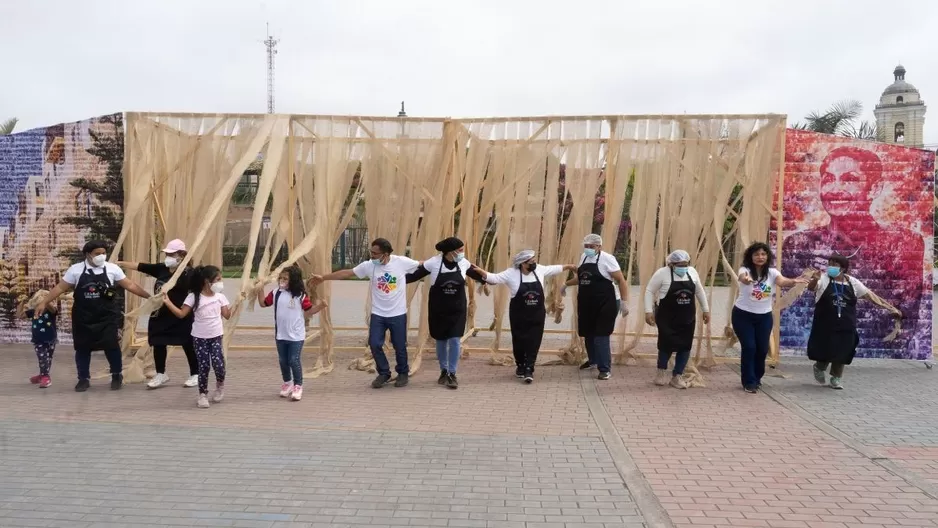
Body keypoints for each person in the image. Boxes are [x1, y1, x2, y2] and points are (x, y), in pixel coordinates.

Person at [781, 146, 924, 358]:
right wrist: (808, 279)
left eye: (849, 179)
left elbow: (905, 319)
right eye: (828, 178)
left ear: (875, 189)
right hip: (818, 338)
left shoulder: (903, 244)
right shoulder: (799, 244)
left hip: (870, 346)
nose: (835, 188)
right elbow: (787, 313)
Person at [36, 240, 153, 392]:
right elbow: (60, 287)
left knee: (112, 347)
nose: (101, 256)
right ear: (88, 255)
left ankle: (117, 375)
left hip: (106, 317)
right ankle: (83, 379)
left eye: (104, 253)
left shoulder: (112, 269)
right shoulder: (75, 270)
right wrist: (44, 302)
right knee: (82, 348)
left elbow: (130, 285)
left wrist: (149, 296)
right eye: (97, 254)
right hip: (83, 317)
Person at [310, 238, 422, 389]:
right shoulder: (369, 266)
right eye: (371, 252)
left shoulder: (401, 262)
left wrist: (441, 260)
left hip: (398, 314)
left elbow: (422, 264)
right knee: (374, 344)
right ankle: (384, 373)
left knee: (399, 345)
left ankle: (402, 373)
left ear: (386, 254)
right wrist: (323, 278)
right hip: (378, 314)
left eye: (375, 253)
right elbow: (346, 273)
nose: (372, 256)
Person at [476, 250, 576, 384]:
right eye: (531, 262)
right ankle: (520, 365)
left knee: (534, 340)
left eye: (534, 260)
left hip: (537, 313)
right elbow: (493, 278)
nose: (534, 263)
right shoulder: (511, 273)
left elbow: (554, 269)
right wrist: (477, 270)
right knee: (519, 340)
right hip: (519, 314)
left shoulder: (539, 270)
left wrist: (569, 266)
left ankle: (529, 367)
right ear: (522, 264)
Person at [805, 255, 898, 390]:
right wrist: (814, 279)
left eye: (834, 264)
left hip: (846, 323)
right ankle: (819, 367)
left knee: (843, 349)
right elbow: (811, 288)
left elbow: (870, 296)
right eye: (829, 263)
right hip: (825, 323)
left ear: (843, 268)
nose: (830, 267)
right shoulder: (823, 279)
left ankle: (836, 378)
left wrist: (890, 308)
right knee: (826, 348)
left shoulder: (853, 282)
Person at [405, 237, 486, 389]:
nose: (463, 253)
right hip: (438, 309)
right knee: (441, 340)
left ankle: (452, 373)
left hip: (457, 309)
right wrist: (392, 279)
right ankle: (443, 371)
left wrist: (488, 279)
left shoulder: (463, 263)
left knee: (455, 340)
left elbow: (479, 275)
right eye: (461, 250)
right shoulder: (433, 263)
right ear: (451, 252)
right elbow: (413, 276)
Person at [117, 239, 199, 389]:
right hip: (160, 314)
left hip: (180, 313)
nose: (167, 257)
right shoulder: (162, 269)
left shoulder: (189, 273)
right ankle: (161, 373)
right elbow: (140, 266)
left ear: (181, 255)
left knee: (187, 343)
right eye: (167, 254)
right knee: (158, 343)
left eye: (171, 254)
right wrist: (119, 264)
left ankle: (195, 374)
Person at [732, 242, 807, 393]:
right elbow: (742, 277)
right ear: (751, 257)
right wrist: (746, 279)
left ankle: (757, 377)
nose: (760, 257)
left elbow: (782, 281)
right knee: (749, 347)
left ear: (767, 256)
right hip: (743, 315)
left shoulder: (772, 272)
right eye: (756, 254)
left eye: (763, 254)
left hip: (764, 316)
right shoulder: (745, 270)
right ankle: (749, 381)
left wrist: (793, 281)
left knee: (762, 349)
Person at [561, 234, 629, 380]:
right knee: (588, 333)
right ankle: (593, 361)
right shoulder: (584, 258)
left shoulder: (608, 259)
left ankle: (605, 369)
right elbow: (582, 277)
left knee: (601, 335)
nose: (588, 249)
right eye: (586, 246)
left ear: (599, 247)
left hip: (607, 302)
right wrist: (565, 284)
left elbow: (621, 280)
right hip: (587, 303)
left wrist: (624, 302)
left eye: (592, 247)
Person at [162, 265, 231, 408]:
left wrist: (235, 304)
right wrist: (168, 302)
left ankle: (220, 386)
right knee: (204, 366)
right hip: (199, 338)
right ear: (207, 281)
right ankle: (202, 394)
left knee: (219, 365)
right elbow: (181, 314)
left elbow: (227, 315)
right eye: (218, 279)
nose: (220, 282)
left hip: (216, 336)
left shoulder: (220, 297)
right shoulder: (194, 296)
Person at [257, 265, 327, 401]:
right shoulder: (276, 292)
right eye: (281, 278)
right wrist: (259, 288)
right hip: (280, 335)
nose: (282, 280)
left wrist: (321, 306)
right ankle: (287, 383)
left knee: (293, 360)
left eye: (286, 279)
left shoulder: (301, 296)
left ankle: (298, 385)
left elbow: (309, 310)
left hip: (296, 335)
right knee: (283, 361)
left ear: (293, 280)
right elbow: (263, 303)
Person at [643, 250, 711, 389]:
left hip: (687, 317)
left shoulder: (692, 272)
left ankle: (677, 375)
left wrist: (706, 309)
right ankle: (661, 372)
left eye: (685, 264)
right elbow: (649, 290)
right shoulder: (662, 273)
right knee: (665, 345)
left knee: (685, 346)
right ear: (671, 264)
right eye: (679, 264)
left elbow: (699, 291)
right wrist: (648, 311)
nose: (682, 267)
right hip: (667, 317)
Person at [17, 290, 58, 389]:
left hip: (50, 339)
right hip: (38, 339)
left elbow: (52, 308)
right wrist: (22, 302)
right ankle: (45, 377)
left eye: (45, 296)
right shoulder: (33, 311)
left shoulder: (51, 311)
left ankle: (42, 375)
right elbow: (19, 315)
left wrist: (46, 300)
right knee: (42, 358)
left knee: (47, 359)